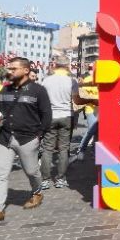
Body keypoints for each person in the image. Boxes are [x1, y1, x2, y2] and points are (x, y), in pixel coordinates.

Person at [0, 57, 52, 227]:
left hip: (27, 139)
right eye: (9, 68)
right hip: (4, 139)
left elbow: (47, 115)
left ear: (26, 70)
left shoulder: (38, 91)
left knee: (32, 171)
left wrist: (39, 135)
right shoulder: (5, 90)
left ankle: (37, 192)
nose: (9, 71)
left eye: (13, 68)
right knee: (0, 174)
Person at [40, 56, 91, 189]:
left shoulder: (47, 80)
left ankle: (45, 180)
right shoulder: (71, 80)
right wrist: (90, 100)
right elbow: (77, 100)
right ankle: (61, 179)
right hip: (66, 116)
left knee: (47, 148)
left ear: (55, 64)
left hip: (50, 116)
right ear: (68, 65)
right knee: (64, 148)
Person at [74, 66, 99, 162]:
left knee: (98, 132)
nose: (92, 71)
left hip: (100, 110)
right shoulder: (87, 80)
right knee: (91, 130)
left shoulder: (101, 80)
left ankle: (95, 151)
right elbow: (83, 94)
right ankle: (81, 149)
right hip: (90, 110)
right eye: (91, 70)